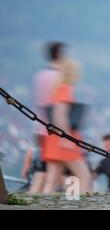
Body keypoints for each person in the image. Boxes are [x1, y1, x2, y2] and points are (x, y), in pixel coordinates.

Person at [41, 59, 92, 193]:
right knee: (84, 176)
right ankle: (81, 206)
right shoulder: (65, 88)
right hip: (64, 139)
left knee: (51, 179)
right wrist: (66, 138)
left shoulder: (56, 89)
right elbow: (60, 115)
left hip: (53, 139)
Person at [28, 42, 66, 193]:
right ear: (58, 54)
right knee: (67, 174)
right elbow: (59, 108)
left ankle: (33, 203)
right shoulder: (59, 77)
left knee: (42, 173)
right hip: (56, 131)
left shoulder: (40, 76)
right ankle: (74, 203)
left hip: (40, 129)